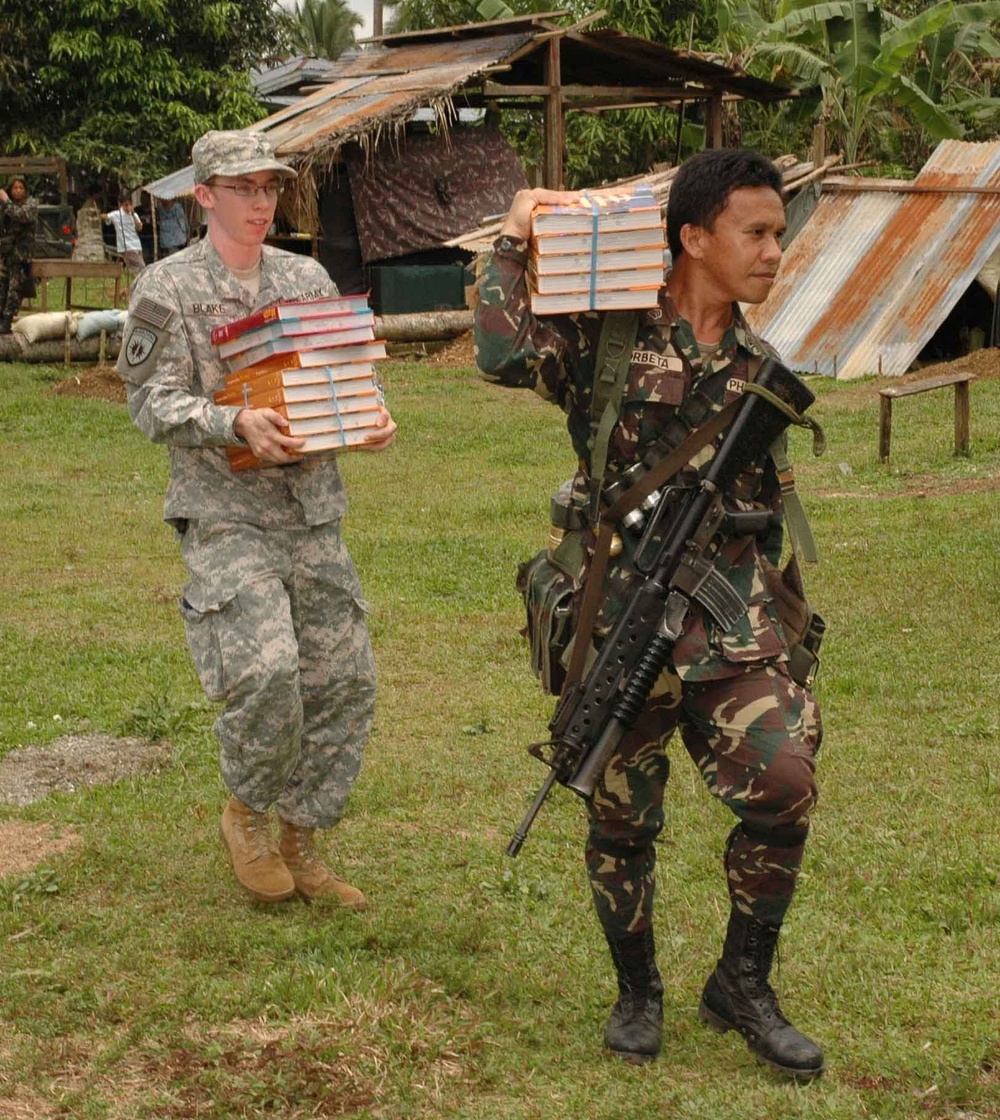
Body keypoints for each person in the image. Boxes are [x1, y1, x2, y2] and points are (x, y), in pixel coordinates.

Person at [474, 149, 825, 1080]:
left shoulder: (761, 368)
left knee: (784, 783)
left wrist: (786, 633)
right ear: (693, 237)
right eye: (754, 232)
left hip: (730, 620)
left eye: (778, 234)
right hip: (621, 608)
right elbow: (503, 352)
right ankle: (638, 990)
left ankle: (742, 983)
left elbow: (764, 507)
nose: (771, 251)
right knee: (620, 809)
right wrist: (513, 237)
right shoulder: (608, 334)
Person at [116, 129, 397, 908]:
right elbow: (149, 401)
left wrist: (371, 419)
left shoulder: (305, 278)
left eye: (270, 188)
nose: (261, 203)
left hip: (312, 512)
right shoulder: (166, 289)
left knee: (345, 681)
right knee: (268, 672)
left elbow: (341, 373)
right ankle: (246, 810)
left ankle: (302, 840)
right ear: (204, 194)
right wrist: (229, 423)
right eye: (244, 189)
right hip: (225, 513)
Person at [0, 177, 38, 333]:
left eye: (20, 188)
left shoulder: (30, 204)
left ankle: (7, 322)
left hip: (21, 256)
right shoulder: (6, 206)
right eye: (14, 188)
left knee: (14, 290)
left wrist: (6, 200)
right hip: (6, 254)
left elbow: (21, 215)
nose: (17, 191)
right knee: (2, 287)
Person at [103, 193, 146, 276]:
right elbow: (107, 217)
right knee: (142, 267)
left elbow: (139, 227)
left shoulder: (134, 215)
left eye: (130, 204)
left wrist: (133, 215)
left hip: (137, 246)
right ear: (121, 204)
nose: (128, 207)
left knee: (134, 270)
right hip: (127, 247)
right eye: (126, 205)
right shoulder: (116, 214)